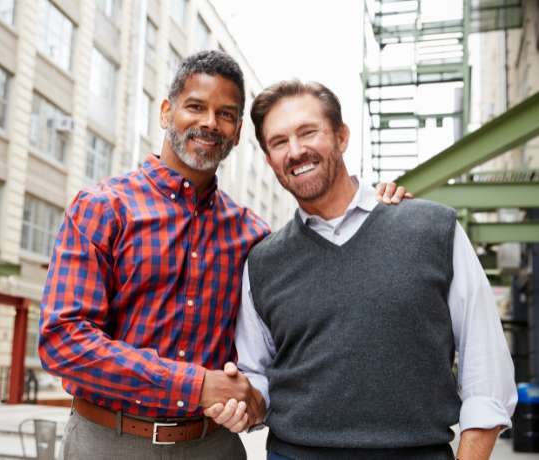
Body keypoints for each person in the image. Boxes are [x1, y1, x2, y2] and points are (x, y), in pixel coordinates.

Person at [39, 52, 406, 459]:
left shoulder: (253, 236)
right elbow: (64, 341)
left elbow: (281, 345)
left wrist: (375, 208)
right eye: (195, 107)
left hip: (214, 446)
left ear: (235, 136)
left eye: (226, 115)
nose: (210, 123)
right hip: (110, 442)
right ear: (166, 112)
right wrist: (194, 386)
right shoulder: (102, 208)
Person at [205, 80, 517, 460]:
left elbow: (486, 373)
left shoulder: (434, 230)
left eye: (308, 132)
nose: (296, 150)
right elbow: (258, 376)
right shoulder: (263, 262)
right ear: (269, 160)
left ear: (341, 136)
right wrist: (244, 405)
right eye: (279, 142)